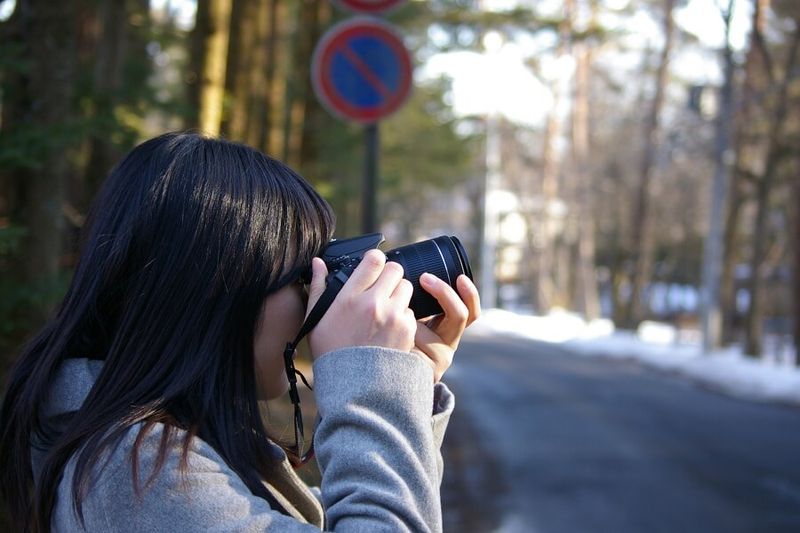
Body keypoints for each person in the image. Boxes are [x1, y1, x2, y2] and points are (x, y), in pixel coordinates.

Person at [0, 131, 480, 532]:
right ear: (216, 296)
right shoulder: (137, 473)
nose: (312, 302)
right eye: (298, 277)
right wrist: (373, 385)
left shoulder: (134, 453)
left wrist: (402, 388)